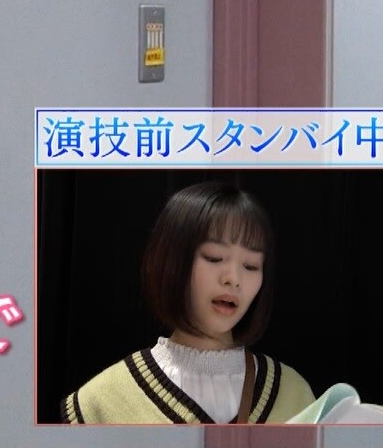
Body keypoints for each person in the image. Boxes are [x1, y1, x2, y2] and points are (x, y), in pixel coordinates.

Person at [63, 181, 315, 424]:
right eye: (215, 257)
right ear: (172, 262)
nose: (233, 279)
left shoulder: (294, 395)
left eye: (250, 266)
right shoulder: (102, 403)